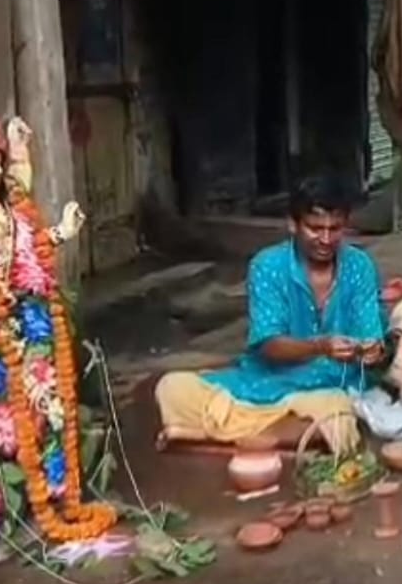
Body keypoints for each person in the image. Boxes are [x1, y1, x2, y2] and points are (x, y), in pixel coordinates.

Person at [156, 176, 388, 454]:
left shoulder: (360, 267)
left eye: (334, 228)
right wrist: (321, 346)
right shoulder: (267, 267)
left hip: (329, 390)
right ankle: (275, 434)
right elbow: (269, 346)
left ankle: (231, 434)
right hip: (265, 384)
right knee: (171, 388)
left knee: (337, 414)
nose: (326, 239)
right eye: (315, 228)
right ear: (293, 224)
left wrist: (373, 350)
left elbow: (372, 338)